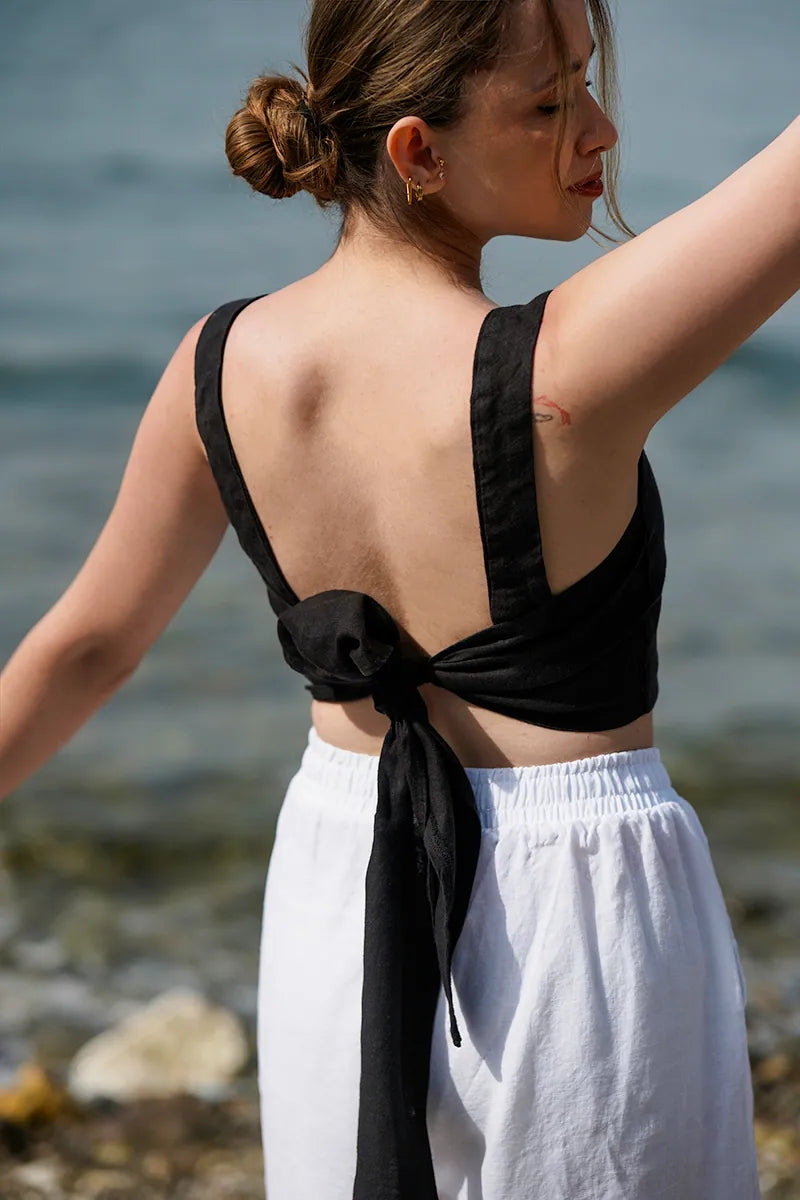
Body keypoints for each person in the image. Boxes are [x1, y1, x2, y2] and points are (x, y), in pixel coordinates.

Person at [1, 0, 797, 1194]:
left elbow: (90, 647)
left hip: (335, 877)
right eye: (547, 103)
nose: (599, 128)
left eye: (585, 80)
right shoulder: (564, 369)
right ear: (416, 150)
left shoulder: (221, 364)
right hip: (577, 919)